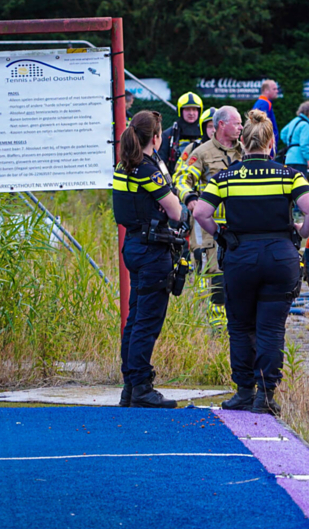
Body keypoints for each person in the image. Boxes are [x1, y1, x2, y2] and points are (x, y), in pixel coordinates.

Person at [192, 110, 309, 414]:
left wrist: (221, 235)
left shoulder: (226, 176)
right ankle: (265, 396)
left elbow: (200, 213)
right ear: (270, 142)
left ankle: (242, 392)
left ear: (244, 140)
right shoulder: (288, 175)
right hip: (280, 256)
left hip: (240, 258)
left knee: (239, 326)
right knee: (271, 327)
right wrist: (300, 234)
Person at [113, 110, 189, 408]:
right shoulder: (147, 168)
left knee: (135, 319)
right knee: (147, 321)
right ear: (155, 138)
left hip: (134, 245)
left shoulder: (124, 165)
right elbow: (175, 211)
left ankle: (131, 387)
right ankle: (142, 387)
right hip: (151, 250)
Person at [176, 106, 244, 331]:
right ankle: (217, 325)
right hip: (209, 225)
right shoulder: (202, 152)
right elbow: (183, 179)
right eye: (237, 123)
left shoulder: (244, 151)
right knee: (214, 272)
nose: (241, 127)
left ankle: (237, 318)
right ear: (221, 125)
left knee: (240, 271)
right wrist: (190, 198)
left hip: (241, 223)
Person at [158, 92, 204, 174]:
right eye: (187, 109)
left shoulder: (206, 132)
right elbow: (161, 161)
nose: (191, 113)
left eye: (194, 109)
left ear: (199, 111)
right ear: (180, 111)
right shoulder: (169, 135)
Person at [172, 106, 217, 187]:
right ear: (203, 128)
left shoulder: (232, 148)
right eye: (210, 126)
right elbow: (179, 172)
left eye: (216, 126)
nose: (213, 130)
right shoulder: (193, 148)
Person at [281, 100, 309, 176]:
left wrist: (290, 143)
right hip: (299, 160)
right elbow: (305, 144)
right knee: (299, 185)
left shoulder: (294, 121)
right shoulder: (306, 125)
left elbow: (283, 133)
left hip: (289, 158)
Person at [252, 79, 281, 152]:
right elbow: (260, 127)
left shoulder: (264, 103)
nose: (277, 91)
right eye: (274, 89)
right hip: (266, 149)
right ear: (266, 90)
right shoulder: (264, 104)